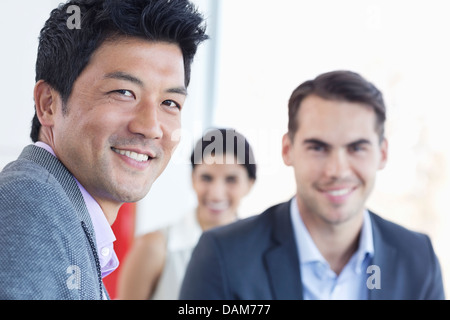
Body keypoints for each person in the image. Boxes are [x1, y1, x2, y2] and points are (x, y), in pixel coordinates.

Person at [0, 0, 207, 300]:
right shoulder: (30, 206)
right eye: (124, 92)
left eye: (169, 103)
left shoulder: (64, 215)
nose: (151, 127)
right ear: (48, 103)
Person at [179, 70, 446, 300]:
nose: (337, 171)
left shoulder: (418, 259)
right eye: (318, 147)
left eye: (357, 148)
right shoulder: (223, 255)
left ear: (383, 153)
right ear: (287, 150)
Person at [116, 128, 257, 300]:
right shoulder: (154, 247)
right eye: (206, 178)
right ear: (193, 178)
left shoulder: (259, 253)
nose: (216, 193)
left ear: (250, 184)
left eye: (231, 180)